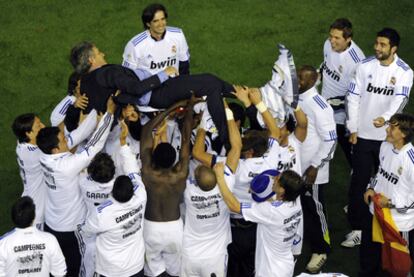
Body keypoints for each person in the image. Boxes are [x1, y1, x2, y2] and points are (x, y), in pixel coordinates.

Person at [70, 41, 234, 143]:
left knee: (210, 81)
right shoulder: (106, 73)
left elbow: (104, 105)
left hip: (150, 96)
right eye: (98, 52)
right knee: (210, 84)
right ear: (91, 59)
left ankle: (237, 92)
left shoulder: (84, 84)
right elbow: (136, 88)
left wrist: (120, 102)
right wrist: (164, 74)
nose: (103, 54)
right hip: (158, 92)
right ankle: (228, 141)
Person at [346, 28, 413, 248]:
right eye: (376, 43)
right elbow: (353, 96)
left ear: (394, 48)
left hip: (388, 138)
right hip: (364, 136)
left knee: (386, 181)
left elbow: (399, 102)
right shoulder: (364, 66)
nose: (377, 47)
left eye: (383, 45)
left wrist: (384, 120)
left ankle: (388, 227)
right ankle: (358, 228)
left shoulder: (404, 72)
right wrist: (353, 127)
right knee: (360, 182)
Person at [36, 97, 115, 276]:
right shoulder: (66, 166)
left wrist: (94, 114)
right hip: (71, 229)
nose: (66, 141)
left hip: (52, 224)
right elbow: (94, 146)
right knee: (76, 268)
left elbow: (76, 137)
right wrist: (109, 114)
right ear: (55, 149)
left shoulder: (44, 156)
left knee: (56, 268)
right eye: (62, 139)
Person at [181, 100, 241, 277]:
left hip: (189, 254)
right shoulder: (226, 183)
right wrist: (227, 112)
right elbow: (236, 147)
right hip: (215, 256)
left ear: (194, 181)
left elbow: (192, 154)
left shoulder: (187, 191)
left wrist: (202, 125)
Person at [81, 121, 147, 277]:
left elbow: (86, 232)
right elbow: (133, 171)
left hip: (110, 270)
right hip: (136, 265)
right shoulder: (141, 196)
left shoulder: (100, 211)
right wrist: (124, 143)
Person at [214, 163, 304, 277]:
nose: (274, 179)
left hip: (270, 271)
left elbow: (234, 206)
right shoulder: (296, 204)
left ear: (282, 190)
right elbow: (275, 207)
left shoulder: (271, 212)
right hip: (285, 265)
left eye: (278, 179)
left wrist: (220, 178)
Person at [140, 98, 194, 277]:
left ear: (152, 158)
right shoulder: (180, 174)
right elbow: (186, 139)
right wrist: (189, 107)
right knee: (175, 272)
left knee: (152, 272)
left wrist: (169, 108)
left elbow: (147, 131)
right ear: (175, 160)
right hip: (174, 229)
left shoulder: (148, 172)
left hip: (151, 228)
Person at [360, 113, 414, 276]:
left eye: (392, 128)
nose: (387, 131)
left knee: (396, 267)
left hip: (398, 223)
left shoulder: (411, 161)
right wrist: (371, 187)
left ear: (403, 134)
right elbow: (380, 172)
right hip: (375, 213)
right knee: (369, 258)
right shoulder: (385, 146)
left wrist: (390, 204)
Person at [297, 65, 337, 272]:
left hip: (312, 171)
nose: (298, 82)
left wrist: (314, 167)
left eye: (302, 80)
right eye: (297, 78)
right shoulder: (299, 98)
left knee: (315, 209)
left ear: (312, 81)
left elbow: (331, 141)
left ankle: (322, 249)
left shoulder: (320, 106)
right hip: (298, 166)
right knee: (302, 206)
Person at [320, 18, 365, 168]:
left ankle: (359, 172)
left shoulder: (357, 62)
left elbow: (358, 94)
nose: (332, 41)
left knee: (348, 147)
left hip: (341, 115)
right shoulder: (327, 45)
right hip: (324, 105)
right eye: (331, 36)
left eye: (337, 38)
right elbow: (325, 65)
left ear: (348, 39)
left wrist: (334, 104)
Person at [0, 196, 66, 277]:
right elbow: (60, 272)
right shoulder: (50, 240)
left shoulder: (3, 243)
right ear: (34, 216)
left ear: (13, 217)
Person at [123, 3, 190, 75]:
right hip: (150, 85)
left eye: (162, 19)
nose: (161, 24)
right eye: (156, 21)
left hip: (173, 83)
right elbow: (127, 75)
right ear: (148, 24)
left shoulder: (178, 35)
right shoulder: (135, 45)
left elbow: (184, 64)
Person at [11, 113, 46, 227]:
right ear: (29, 133)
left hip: (29, 197)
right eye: (39, 126)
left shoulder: (21, 143)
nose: (43, 126)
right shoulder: (36, 154)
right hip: (37, 211)